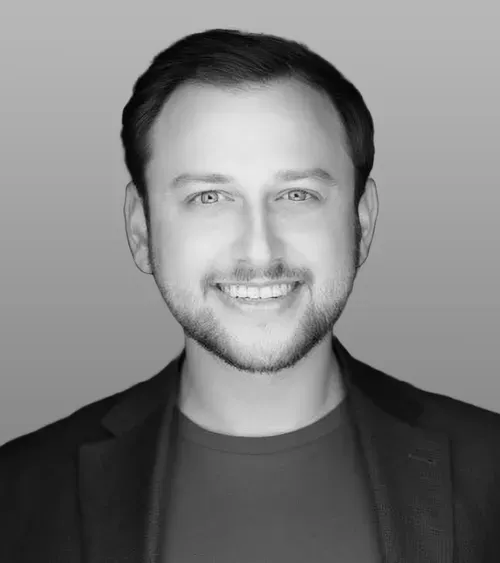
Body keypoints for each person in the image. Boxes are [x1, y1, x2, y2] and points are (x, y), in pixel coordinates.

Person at [1, 27, 499, 563]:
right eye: (209, 197)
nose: (260, 251)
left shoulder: (490, 468)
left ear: (362, 222)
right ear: (140, 230)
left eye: (297, 194)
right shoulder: (19, 490)